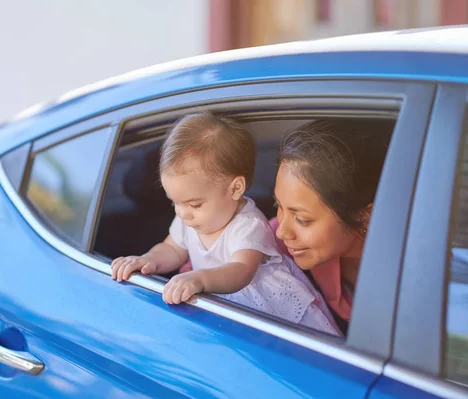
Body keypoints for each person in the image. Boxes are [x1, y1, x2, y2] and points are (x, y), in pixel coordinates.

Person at [111, 112, 340, 335]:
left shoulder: (249, 225)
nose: (183, 214)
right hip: (233, 311)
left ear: (235, 189)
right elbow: (171, 249)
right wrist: (147, 260)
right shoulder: (188, 218)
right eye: (174, 203)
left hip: (277, 312)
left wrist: (200, 278)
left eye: (195, 204)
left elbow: (240, 271)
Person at [270, 119, 394, 334]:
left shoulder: (408, 274)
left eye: (303, 220)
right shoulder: (280, 233)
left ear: (367, 216)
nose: (282, 231)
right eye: (279, 206)